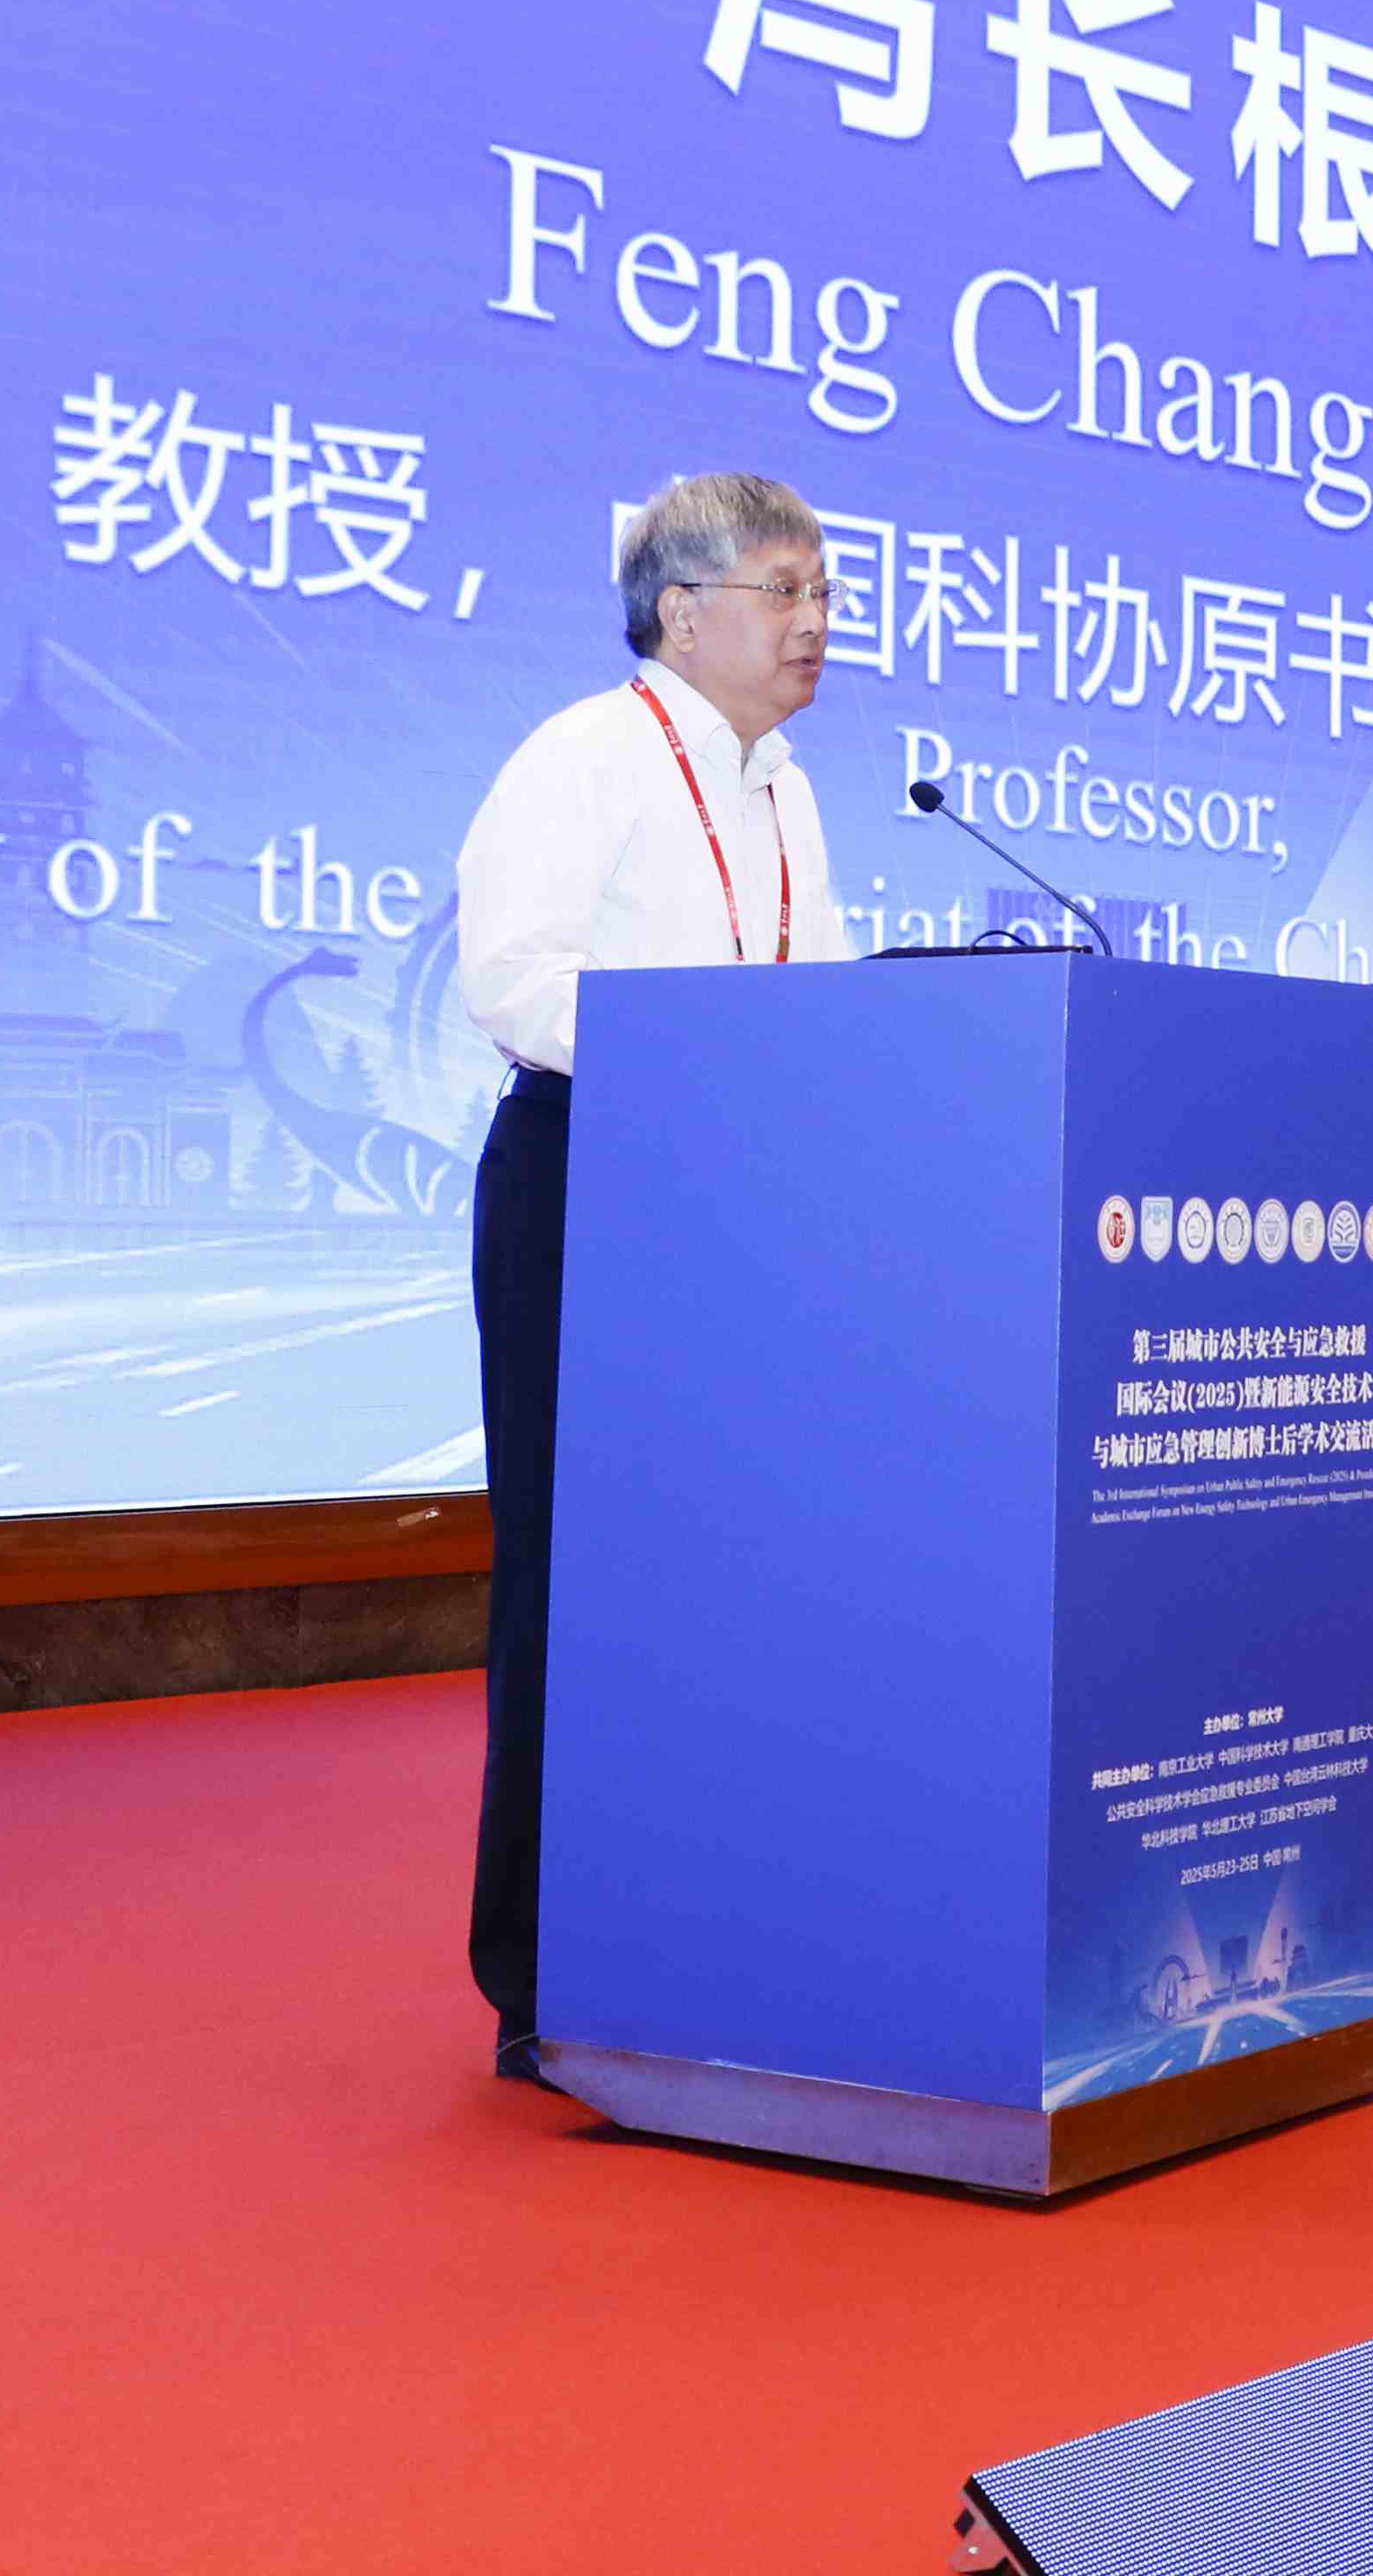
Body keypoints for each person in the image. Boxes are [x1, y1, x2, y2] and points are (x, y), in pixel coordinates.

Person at [444, 471, 839, 2079]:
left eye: (825, 593)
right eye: (786, 590)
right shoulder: (585, 754)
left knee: (730, 1577)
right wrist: (700, 1061)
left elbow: (818, 1003)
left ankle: (715, 1929)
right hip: (592, 1176)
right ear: (683, 611)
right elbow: (510, 978)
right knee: (580, 1578)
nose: (817, 622)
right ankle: (547, 1975)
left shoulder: (788, 790)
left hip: (742, 1198)